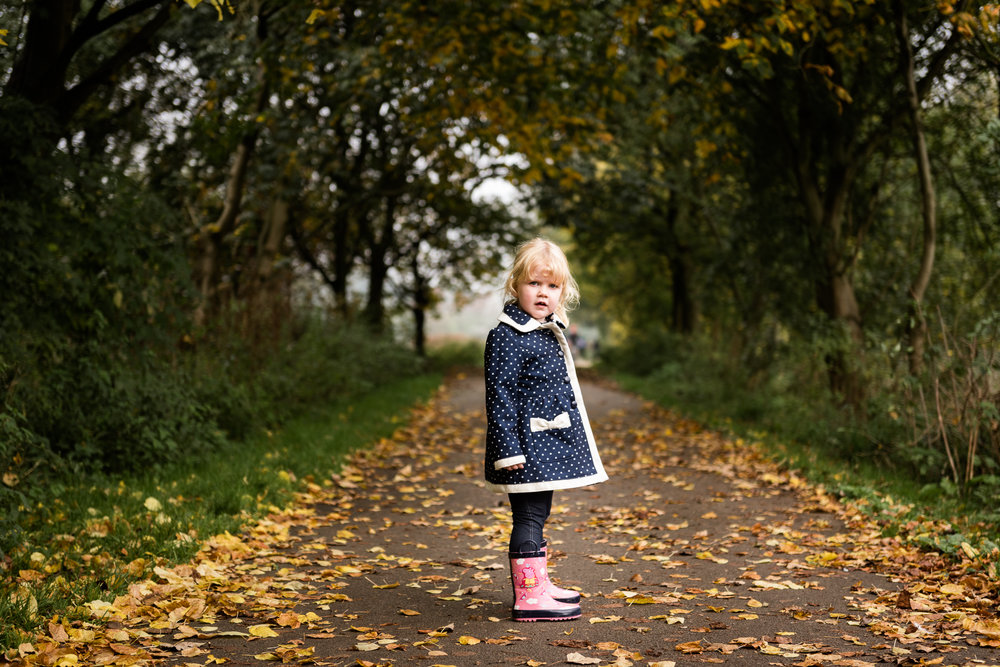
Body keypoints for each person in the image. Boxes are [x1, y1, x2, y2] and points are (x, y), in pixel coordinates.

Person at [483, 238, 608, 621]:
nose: (543, 293)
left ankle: (538, 583)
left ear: (562, 292)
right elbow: (499, 397)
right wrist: (508, 450)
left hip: (543, 445)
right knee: (529, 517)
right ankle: (529, 597)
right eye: (534, 284)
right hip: (522, 449)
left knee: (540, 513)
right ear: (515, 285)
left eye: (552, 286)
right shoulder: (506, 336)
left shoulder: (542, 330)